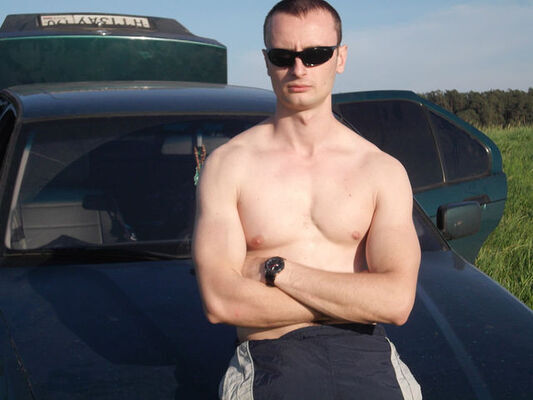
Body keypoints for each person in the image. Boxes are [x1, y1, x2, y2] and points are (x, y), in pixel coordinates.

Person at [192, 0, 422, 398]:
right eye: (283, 56)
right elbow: (221, 302)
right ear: (267, 61)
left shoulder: (381, 170)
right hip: (269, 364)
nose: (299, 69)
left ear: (340, 57)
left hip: (371, 362)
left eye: (316, 55)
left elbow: (397, 302)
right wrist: (357, 299)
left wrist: (276, 270)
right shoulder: (228, 166)